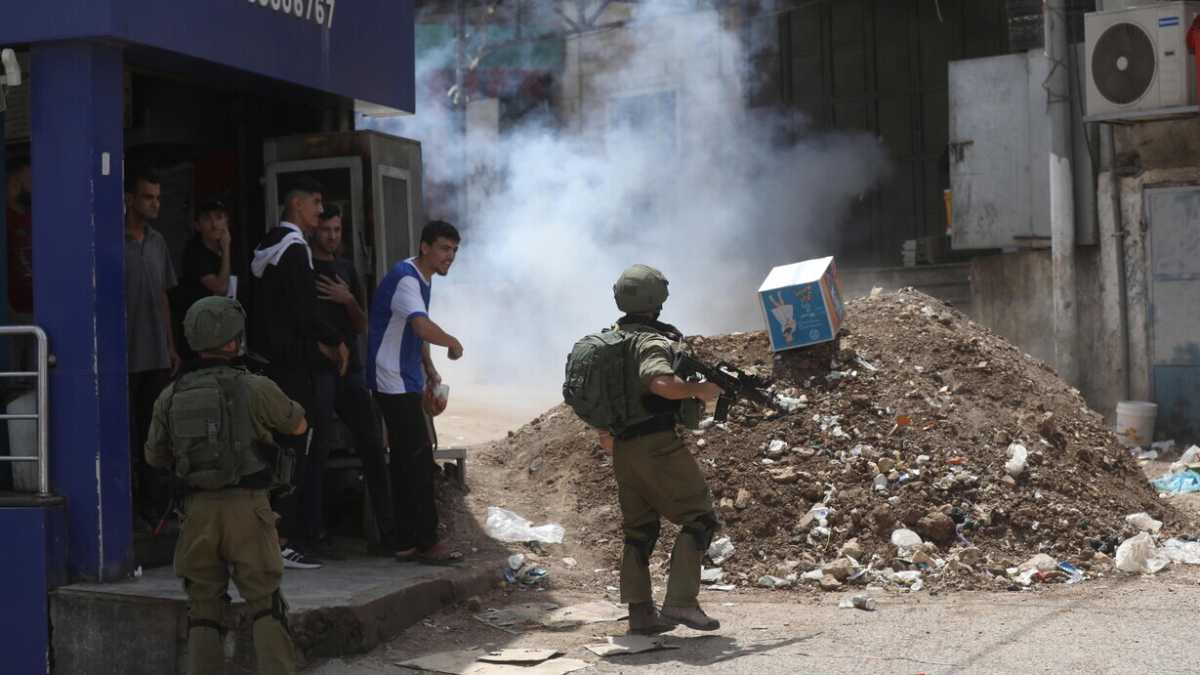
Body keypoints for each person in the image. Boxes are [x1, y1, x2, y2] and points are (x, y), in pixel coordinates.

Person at [144, 296, 305, 675]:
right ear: (234, 341)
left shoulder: (170, 395)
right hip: (248, 509)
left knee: (203, 611)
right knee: (265, 604)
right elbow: (298, 424)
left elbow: (154, 456)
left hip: (196, 513)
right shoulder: (255, 387)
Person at [599, 264, 723, 634]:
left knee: (639, 530)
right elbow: (660, 383)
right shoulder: (650, 341)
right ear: (656, 298)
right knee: (700, 518)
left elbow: (602, 395)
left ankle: (640, 614)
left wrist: (605, 434)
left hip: (622, 446)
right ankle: (681, 602)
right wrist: (701, 390)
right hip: (656, 444)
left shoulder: (611, 340)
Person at [250, 175, 347, 569]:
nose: (320, 212)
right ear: (297, 205)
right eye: (316, 204)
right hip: (291, 368)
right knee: (293, 450)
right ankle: (281, 539)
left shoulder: (266, 246)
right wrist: (334, 341)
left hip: (267, 363)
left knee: (273, 449)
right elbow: (305, 314)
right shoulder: (294, 250)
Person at [367, 220, 463, 564]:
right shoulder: (407, 278)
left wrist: (429, 370)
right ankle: (427, 542)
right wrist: (452, 342)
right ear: (425, 247)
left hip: (401, 378)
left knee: (405, 461)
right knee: (419, 461)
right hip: (391, 379)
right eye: (444, 248)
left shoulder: (421, 278)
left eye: (454, 250)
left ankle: (405, 540)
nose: (449, 256)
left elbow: (413, 330)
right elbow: (421, 326)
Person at [306, 205, 398, 555]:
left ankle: (387, 533)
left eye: (337, 230)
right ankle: (314, 534)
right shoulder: (304, 267)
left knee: (373, 444)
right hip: (318, 369)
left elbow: (362, 323)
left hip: (351, 371)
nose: (332, 236)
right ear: (314, 230)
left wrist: (347, 300)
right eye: (326, 229)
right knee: (317, 448)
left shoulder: (347, 269)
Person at [125, 167, 180, 526]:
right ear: (129, 199)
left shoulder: (158, 241)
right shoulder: (110, 238)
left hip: (156, 352)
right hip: (123, 354)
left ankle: (154, 505)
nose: (155, 204)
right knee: (126, 431)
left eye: (158, 198)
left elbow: (163, 296)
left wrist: (170, 345)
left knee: (153, 431)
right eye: (148, 197)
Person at [173, 199, 233, 362]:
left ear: (227, 221)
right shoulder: (195, 253)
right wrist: (226, 248)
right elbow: (220, 287)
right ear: (197, 225)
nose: (214, 225)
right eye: (207, 219)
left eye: (219, 217)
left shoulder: (223, 251)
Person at [6, 156, 32, 319]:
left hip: (40, 309)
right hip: (15, 314)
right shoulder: (6, 220)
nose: (32, 186)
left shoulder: (37, 217)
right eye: (28, 181)